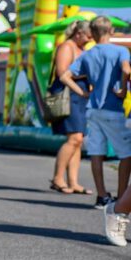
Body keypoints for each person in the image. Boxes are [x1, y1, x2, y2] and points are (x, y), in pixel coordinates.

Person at [59, 16, 131, 246]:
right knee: (125, 155)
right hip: (113, 108)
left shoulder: (88, 54)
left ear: (92, 31)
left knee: (96, 153)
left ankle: (102, 195)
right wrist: (121, 87)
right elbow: (126, 69)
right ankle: (121, 198)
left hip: (92, 108)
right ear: (110, 29)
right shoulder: (119, 52)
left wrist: (82, 93)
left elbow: (65, 76)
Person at [48, 20, 92, 195]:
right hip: (69, 96)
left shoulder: (82, 49)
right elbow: (62, 72)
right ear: (78, 33)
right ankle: (58, 178)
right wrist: (86, 73)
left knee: (78, 140)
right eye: (88, 36)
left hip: (80, 97)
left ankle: (73, 182)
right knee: (74, 138)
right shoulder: (67, 46)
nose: (90, 39)